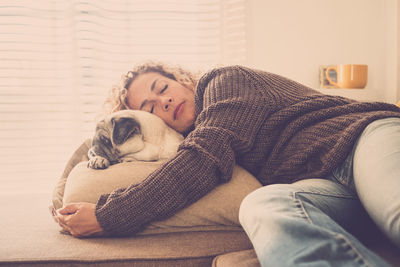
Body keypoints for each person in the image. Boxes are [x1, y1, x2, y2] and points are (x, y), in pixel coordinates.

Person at [54, 62, 400, 266]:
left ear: (182, 80)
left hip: (362, 138)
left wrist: (108, 214)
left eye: (163, 87)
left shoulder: (225, 82)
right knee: (263, 205)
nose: (164, 101)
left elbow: (202, 160)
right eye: (149, 107)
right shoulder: (183, 142)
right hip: (329, 187)